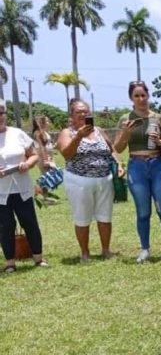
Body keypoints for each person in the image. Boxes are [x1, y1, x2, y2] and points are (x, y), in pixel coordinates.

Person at [114, 81, 161, 263]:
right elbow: (117, 148)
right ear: (131, 98)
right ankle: (144, 249)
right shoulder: (125, 119)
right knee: (143, 212)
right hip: (137, 166)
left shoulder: (159, 118)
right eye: (137, 96)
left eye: (143, 95)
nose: (141, 99)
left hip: (158, 165)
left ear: (148, 96)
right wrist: (126, 133)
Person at [57, 99, 123, 263]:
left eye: (86, 111)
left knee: (105, 217)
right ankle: (85, 253)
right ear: (71, 115)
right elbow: (66, 154)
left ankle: (106, 250)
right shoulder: (67, 132)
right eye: (78, 111)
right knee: (82, 218)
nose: (83, 114)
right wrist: (78, 137)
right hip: (79, 181)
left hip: (104, 180)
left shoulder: (99, 130)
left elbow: (111, 148)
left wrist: (119, 163)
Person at [0, 100, 48, 271]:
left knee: (30, 223)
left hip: (22, 188)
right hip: (1, 193)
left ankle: (38, 258)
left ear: (6, 114)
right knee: (5, 227)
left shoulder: (17, 133)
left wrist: (28, 164)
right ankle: (10, 263)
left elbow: (33, 155)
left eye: (1, 113)